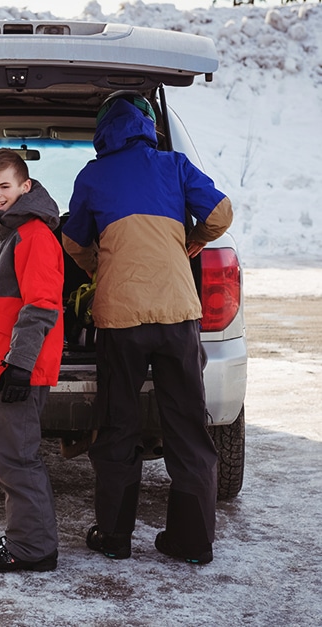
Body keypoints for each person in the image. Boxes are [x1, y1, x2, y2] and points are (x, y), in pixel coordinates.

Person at [62, 91, 234, 565]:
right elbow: (220, 214)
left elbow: (73, 238)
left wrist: (102, 267)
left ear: (102, 130)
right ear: (147, 124)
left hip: (120, 318)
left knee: (119, 426)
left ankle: (114, 537)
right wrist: (192, 241)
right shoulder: (174, 164)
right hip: (178, 313)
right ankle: (193, 542)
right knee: (188, 428)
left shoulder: (93, 175)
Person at [0, 148, 64, 573]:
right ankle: (24, 535)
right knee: (3, 458)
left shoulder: (34, 235)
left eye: (5, 186)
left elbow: (42, 304)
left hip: (17, 367)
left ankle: (33, 548)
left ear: (26, 186)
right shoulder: (3, 233)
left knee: (18, 459)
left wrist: (21, 363)